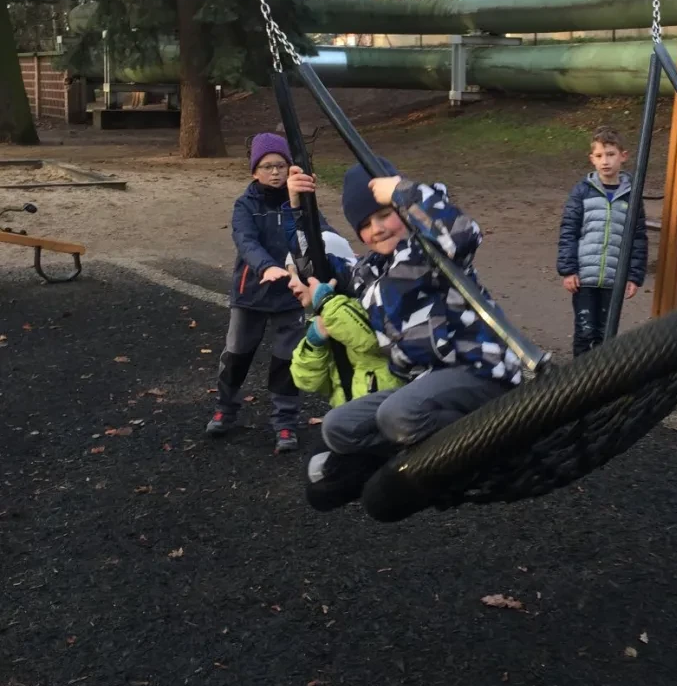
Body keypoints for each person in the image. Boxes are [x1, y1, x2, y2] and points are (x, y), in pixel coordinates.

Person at [302, 157, 522, 508]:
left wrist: (403, 192)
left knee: (398, 415)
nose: (377, 229)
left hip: (480, 370)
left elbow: (464, 233)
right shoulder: (370, 272)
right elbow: (317, 263)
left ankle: (490, 445)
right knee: (337, 427)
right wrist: (297, 204)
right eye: (365, 224)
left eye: (383, 214)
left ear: (403, 211)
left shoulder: (429, 249)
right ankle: (412, 459)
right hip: (427, 382)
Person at [205, 132, 355, 453]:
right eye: (267, 166)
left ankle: (285, 421)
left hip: (291, 294)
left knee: (286, 360)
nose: (275, 172)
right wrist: (265, 267)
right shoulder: (246, 205)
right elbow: (245, 240)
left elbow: (323, 234)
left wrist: (344, 257)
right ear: (254, 172)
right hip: (252, 293)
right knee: (236, 354)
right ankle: (225, 408)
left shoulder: (301, 203)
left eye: (281, 165)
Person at [285, 271, 403, 510]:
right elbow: (307, 381)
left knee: (330, 480)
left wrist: (328, 303)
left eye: (298, 277)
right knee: (316, 478)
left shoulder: (359, 306)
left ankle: (398, 466)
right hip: (351, 424)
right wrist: (314, 343)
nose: (291, 284)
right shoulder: (328, 316)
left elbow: (369, 340)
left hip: (387, 415)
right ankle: (382, 471)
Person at [556, 125, 648, 356]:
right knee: (585, 330)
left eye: (610, 154)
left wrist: (634, 276)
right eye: (599, 156)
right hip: (584, 277)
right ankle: (579, 374)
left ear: (623, 156)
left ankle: (602, 375)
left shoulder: (631, 194)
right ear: (592, 159)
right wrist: (568, 270)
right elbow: (569, 231)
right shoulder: (582, 192)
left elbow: (638, 237)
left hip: (614, 278)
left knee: (606, 334)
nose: (605, 161)